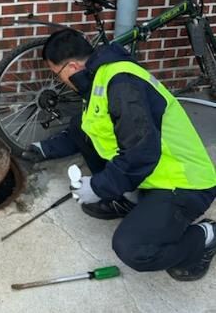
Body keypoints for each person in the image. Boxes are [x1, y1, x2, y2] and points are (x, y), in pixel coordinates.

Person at [22, 28, 216, 281]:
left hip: (184, 183)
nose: (60, 81)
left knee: (133, 249)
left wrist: (99, 187)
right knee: (81, 126)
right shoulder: (98, 78)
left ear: (71, 67)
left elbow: (141, 153)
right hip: (151, 175)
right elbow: (88, 127)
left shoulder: (122, 84)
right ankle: (130, 199)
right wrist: (44, 149)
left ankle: (206, 236)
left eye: (57, 74)